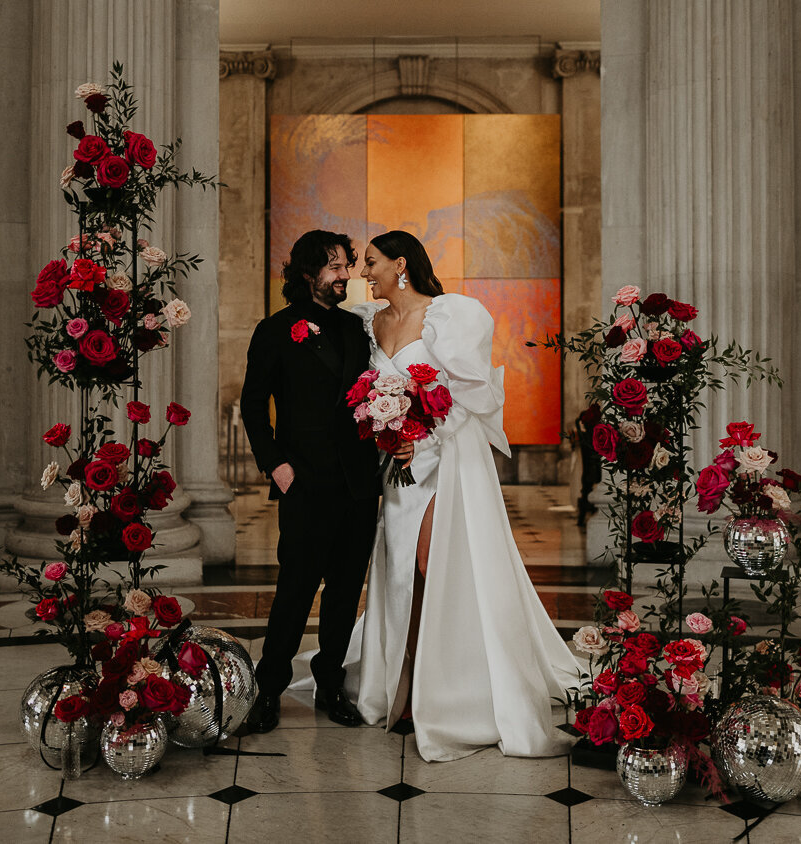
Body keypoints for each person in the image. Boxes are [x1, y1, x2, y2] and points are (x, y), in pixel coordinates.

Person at [336, 230, 581, 762]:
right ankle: (402, 684)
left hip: (446, 460)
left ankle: (448, 692)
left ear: (400, 263)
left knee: (435, 566)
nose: (364, 273)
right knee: (402, 569)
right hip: (396, 467)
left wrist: (420, 432)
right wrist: (385, 434)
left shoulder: (453, 315)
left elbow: (472, 396)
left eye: (371, 263)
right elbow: (364, 395)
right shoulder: (366, 323)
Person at [239, 230, 381, 733]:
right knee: (295, 590)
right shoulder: (275, 330)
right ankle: (269, 687)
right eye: (335, 267)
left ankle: (329, 684)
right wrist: (275, 464)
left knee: (345, 592)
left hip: (359, 483)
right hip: (304, 481)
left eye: (347, 266)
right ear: (307, 273)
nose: (346, 275)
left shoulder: (355, 329)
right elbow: (253, 405)